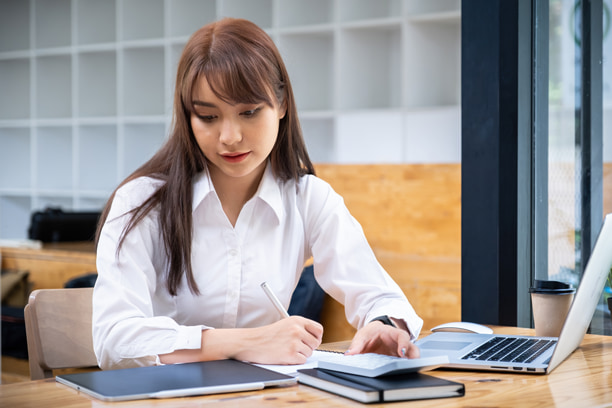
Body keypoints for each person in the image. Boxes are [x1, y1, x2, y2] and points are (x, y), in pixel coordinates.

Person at [92, 17, 423, 370]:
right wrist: (247, 342)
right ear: (188, 116)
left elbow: (379, 294)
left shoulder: (307, 198)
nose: (230, 136)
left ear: (281, 105)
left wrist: (384, 325)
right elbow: (113, 339)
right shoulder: (142, 202)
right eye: (208, 116)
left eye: (249, 112)